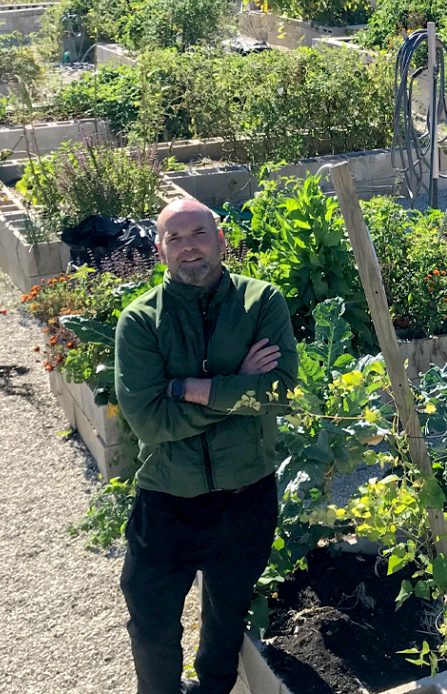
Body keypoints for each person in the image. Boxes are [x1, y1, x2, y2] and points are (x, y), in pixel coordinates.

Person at [114, 199, 298, 694]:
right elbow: (150, 421)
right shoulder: (140, 321)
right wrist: (237, 388)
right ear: (160, 250)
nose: (188, 246)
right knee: (151, 626)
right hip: (166, 500)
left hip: (245, 498)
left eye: (198, 233)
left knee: (225, 620)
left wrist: (188, 388)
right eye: (174, 238)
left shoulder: (261, 302)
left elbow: (278, 391)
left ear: (221, 240)